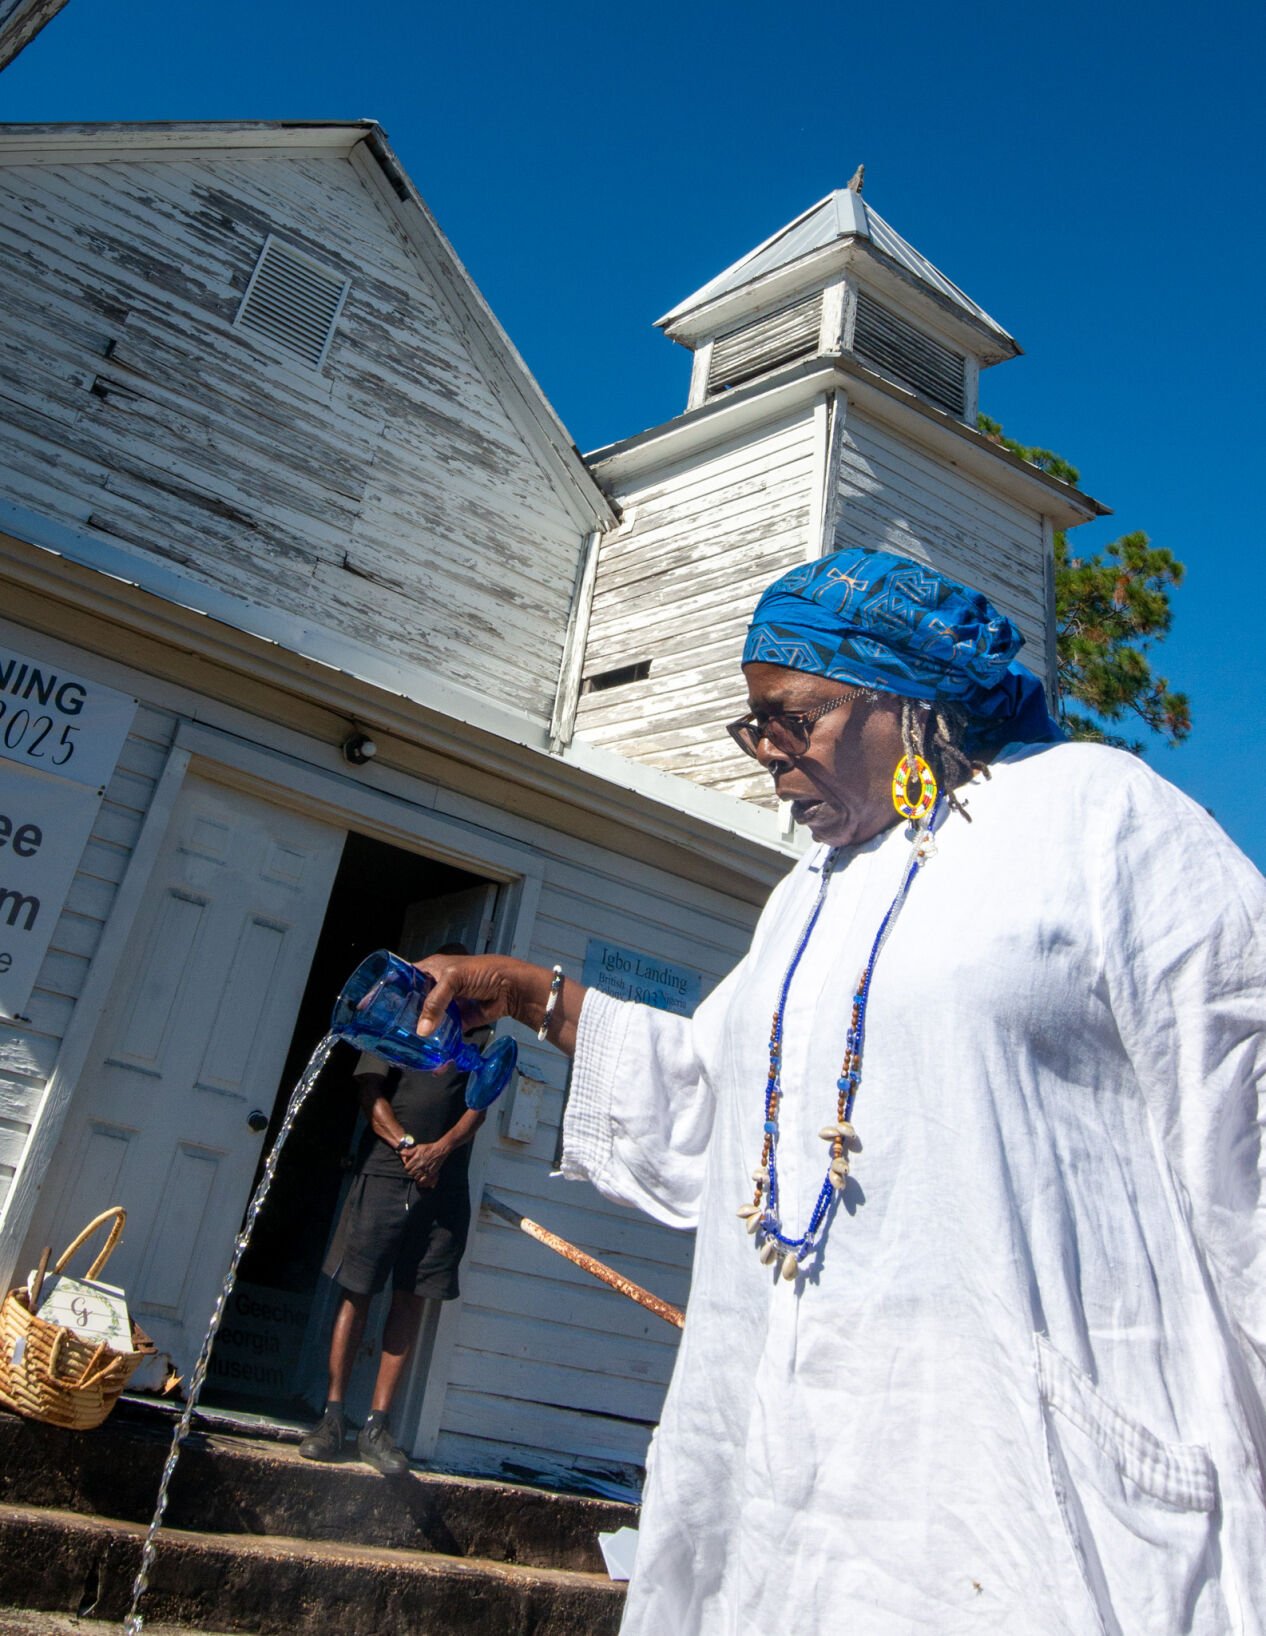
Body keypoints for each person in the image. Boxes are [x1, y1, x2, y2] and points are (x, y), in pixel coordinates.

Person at [413, 549, 1266, 1635]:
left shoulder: (1098, 817)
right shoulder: (805, 893)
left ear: (905, 700)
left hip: (1015, 1468)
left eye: (791, 719)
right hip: (795, 1479)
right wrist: (529, 991)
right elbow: (719, 1103)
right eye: (752, 726)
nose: (766, 756)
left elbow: (1246, 1096)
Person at [299, 946, 486, 1476]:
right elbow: (368, 1090)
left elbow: (478, 1105)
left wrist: (440, 1150)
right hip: (387, 1170)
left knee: (412, 1298)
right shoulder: (395, 1019)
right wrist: (407, 1145)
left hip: (443, 1183)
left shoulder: (479, 1034)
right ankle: (332, 1417)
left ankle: (377, 1427)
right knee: (357, 1289)